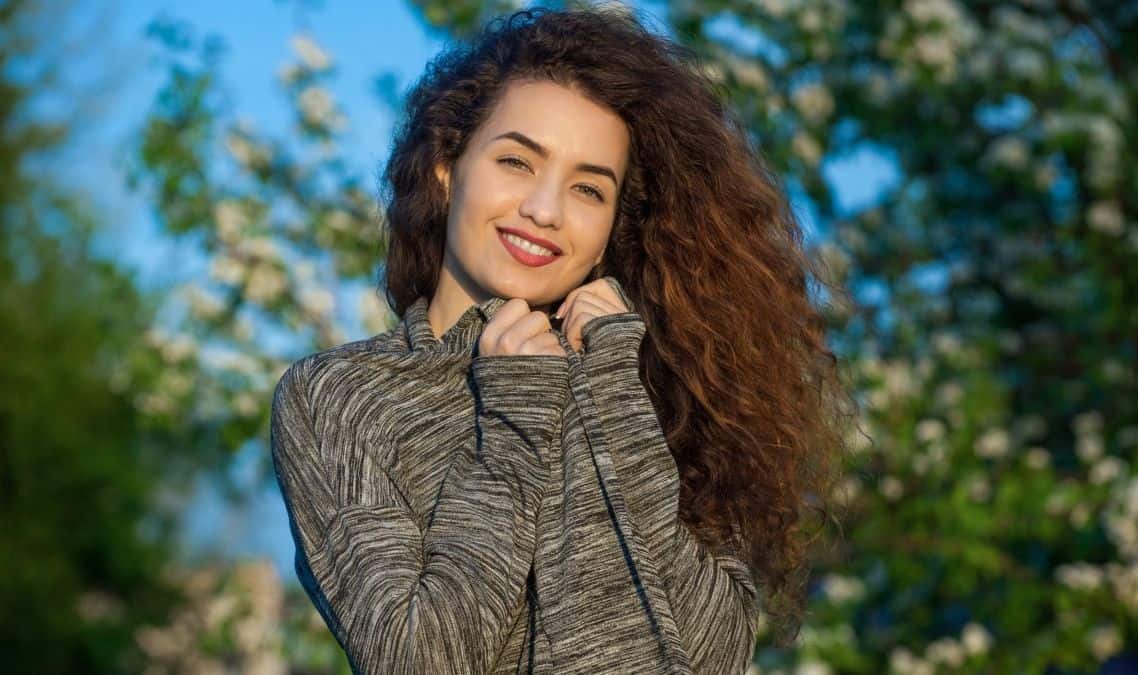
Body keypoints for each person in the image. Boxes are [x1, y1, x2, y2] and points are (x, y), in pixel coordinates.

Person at [270, 6, 855, 674]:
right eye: (518, 161)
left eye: (587, 188)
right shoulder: (341, 396)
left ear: (611, 225)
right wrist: (516, 413)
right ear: (446, 167)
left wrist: (614, 391)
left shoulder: (649, 381)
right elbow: (419, 660)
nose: (545, 211)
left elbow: (714, 656)